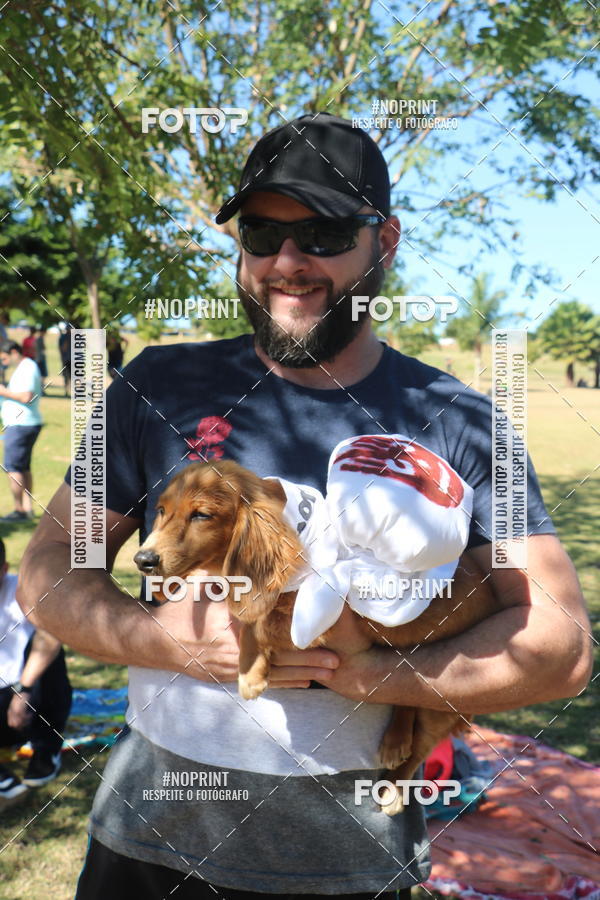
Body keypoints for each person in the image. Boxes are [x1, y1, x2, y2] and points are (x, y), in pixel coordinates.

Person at [18, 114, 592, 898]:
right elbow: (51, 566)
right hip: (144, 853)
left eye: (323, 233)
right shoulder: (151, 385)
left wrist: (371, 672)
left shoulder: (466, 422)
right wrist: (165, 641)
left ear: (384, 241)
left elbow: (560, 645)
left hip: (349, 868)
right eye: (261, 233)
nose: (287, 262)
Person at [0, 538, 72, 806]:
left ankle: (46, 749)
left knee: (48, 647)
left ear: (4, 569)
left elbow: (52, 636)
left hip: (30, 701)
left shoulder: (24, 591)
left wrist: (24, 690)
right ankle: (5, 784)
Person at [0, 340, 43, 521]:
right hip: (23, 423)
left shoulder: (27, 368)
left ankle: (19, 510)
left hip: (20, 425)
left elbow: (26, 396)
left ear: (14, 352)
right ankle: (27, 508)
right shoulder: (25, 367)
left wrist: (3, 392)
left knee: (13, 467)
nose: (3, 362)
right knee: (23, 467)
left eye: (4, 358)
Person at [58, 322, 72, 396]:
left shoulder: (62, 337)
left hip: (67, 359)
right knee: (68, 376)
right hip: (68, 359)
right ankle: (67, 390)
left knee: (67, 376)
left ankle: (67, 390)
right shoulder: (71, 337)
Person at [34, 326, 48, 394]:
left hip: (39, 359)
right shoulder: (40, 339)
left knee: (42, 375)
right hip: (40, 359)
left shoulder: (39, 339)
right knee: (42, 375)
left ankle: (41, 390)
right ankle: (41, 390)